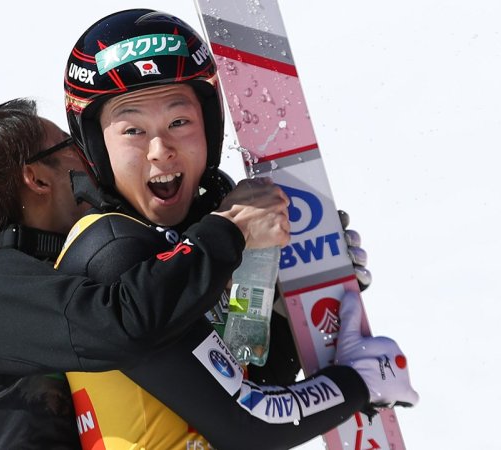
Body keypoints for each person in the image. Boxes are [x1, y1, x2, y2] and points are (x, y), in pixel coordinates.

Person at [57, 9, 418, 450]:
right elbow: (248, 427)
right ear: (95, 145)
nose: (161, 151)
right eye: (133, 130)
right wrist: (354, 386)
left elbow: (250, 375)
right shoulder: (111, 254)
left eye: (179, 122)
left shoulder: (196, 234)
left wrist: (286, 294)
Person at [0, 99, 290, 449]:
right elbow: (123, 320)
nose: (92, 162)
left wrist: (283, 301)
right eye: (72, 146)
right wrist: (225, 232)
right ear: (37, 179)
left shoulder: (64, 305)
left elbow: (230, 406)